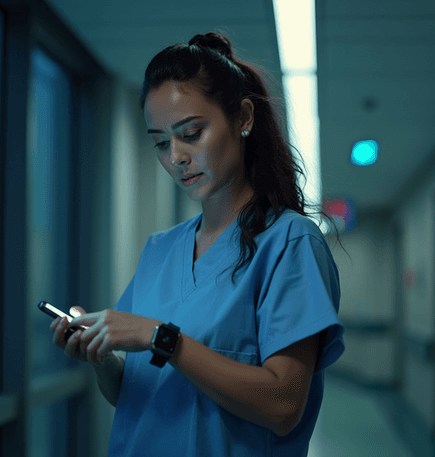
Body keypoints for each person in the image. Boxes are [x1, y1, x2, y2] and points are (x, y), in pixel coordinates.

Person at [50, 32, 346, 456]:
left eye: (191, 133)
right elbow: (137, 395)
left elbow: (284, 405)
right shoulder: (159, 250)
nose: (176, 157)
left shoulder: (289, 242)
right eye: (160, 142)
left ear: (243, 117)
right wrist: (102, 359)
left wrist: (163, 339)